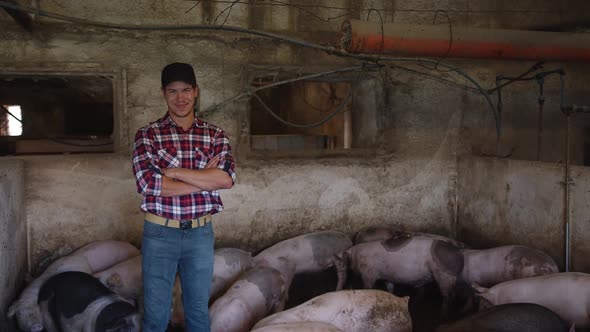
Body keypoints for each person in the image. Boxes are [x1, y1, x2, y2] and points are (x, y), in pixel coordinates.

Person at [132, 62, 236, 332]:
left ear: (196, 91)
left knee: (198, 313)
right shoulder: (148, 135)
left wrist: (176, 172)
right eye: (173, 91)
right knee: (155, 315)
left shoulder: (215, 135)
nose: (181, 98)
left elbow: (225, 179)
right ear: (163, 94)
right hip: (159, 232)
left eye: (186, 90)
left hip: (201, 234)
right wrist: (204, 178)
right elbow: (149, 184)